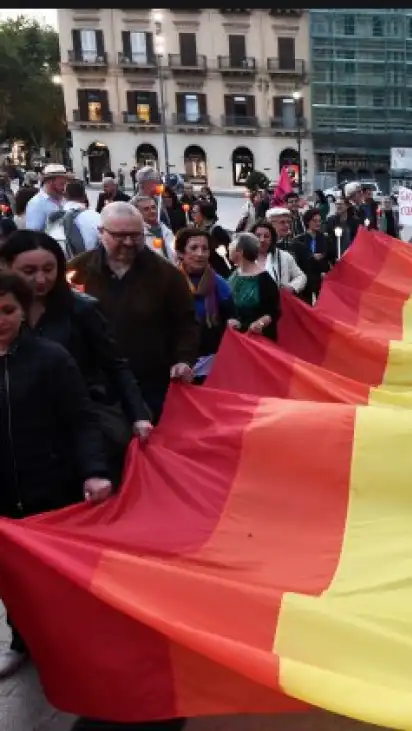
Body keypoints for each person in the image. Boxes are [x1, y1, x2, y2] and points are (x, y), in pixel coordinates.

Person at [0, 271, 112, 678]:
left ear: (24, 312)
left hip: (49, 484)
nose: (1, 320)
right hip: (3, 493)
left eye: (8, 310)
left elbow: (80, 420)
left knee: (56, 573)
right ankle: (21, 640)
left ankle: (72, 639)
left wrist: (94, 471)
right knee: (11, 574)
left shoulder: (51, 358)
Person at [0, 230, 152, 477]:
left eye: (49, 269)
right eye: (29, 271)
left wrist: (138, 415)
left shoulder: (81, 309)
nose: (41, 279)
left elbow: (115, 365)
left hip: (79, 418)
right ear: (7, 266)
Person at [67, 202, 199, 421]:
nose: (128, 243)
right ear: (102, 232)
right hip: (95, 386)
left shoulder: (167, 275)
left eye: (135, 236)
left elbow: (185, 324)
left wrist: (183, 360)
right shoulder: (78, 271)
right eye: (120, 236)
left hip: (150, 384)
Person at [174, 228, 235, 358]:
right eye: (194, 248)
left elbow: (231, 316)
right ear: (180, 253)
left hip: (212, 357)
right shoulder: (170, 282)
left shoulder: (220, 284)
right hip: (177, 356)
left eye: (205, 249)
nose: (200, 254)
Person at [227, 232, 281, 341]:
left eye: (231, 245)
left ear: (240, 251)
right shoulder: (234, 273)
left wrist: (260, 323)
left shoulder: (264, 280)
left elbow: (274, 311)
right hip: (233, 337)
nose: (229, 247)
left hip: (255, 340)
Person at [250, 219, 307, 295]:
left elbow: (301, 277)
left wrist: (291, 287)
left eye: (266, 236)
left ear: (272, 239)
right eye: (258, 236)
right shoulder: (245, 257)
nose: (262, 240)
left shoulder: (285, 257)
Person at [46, 179, 102, 256]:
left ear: (65, 195)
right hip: (88, 263)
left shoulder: (53, 218)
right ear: (84, 195)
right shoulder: (96, 217)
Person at [290, 207, 331, 304]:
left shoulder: (324, 238)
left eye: (319, 221)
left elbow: (328, 255)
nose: (318, 223)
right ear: (308, 222)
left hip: (320, 276)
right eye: (314, 221)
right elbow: (297, 258)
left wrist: (325, 270)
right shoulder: (299, 240)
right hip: (305, 275)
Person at [191, 199, 232, 277]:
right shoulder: (195, 228)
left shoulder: (216, 231)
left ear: (204, 214)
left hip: (216, 272)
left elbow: (225, 255)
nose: (192, 215)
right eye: (192, 212)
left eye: (195, 212)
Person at [24, 163, 69, 232]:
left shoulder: (64, 199)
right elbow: (34, 235)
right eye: (61, 184)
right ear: (50, 182)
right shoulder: (36, 204)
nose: (64, 187)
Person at [132, 194, 175, 261]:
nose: (152, 211)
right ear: (137, 213)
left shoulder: (166, 230)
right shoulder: (137, 235)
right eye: (146, 209)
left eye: (153, 207)